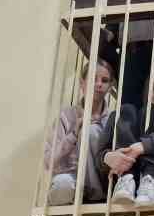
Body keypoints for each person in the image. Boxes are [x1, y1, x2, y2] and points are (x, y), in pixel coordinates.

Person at [98, 69, 154, 208]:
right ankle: (127, 178)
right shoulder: (135, 116)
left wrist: (142, 146)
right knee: (125, 110)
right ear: (147, 92)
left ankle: (152, 179)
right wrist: (107, 157)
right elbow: (99, 154)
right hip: (127, 183)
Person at [44, 59, 114, 206]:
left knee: (91, 131)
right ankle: (63, 214)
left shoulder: (113, 119)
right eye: (93, 79)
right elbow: (48, 161)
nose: (99, 84)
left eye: (104, 80)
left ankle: (95, 197)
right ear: (82, 83)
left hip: (102, 183)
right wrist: (73, 134)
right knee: (62, 184)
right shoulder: (65, 116)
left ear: (109, 87)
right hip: (72, 180)